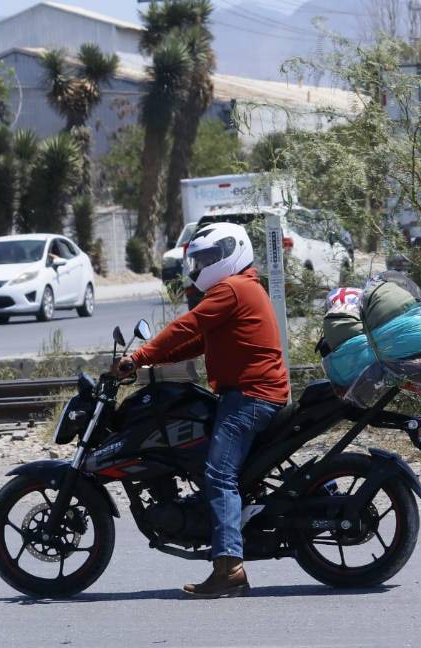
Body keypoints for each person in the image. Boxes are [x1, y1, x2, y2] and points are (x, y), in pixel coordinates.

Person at [113, 222, 289, 598]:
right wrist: (149, 365)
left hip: (250, 397)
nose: (203, 265)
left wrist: (140, 355)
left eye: (209, 257)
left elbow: (185, 326)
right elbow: (196, 340)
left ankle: (229, 568)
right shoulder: (241, 290)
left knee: (219, 473)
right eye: (201, 259)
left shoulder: (233, 288)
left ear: (231, 253)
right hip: (251, 395)